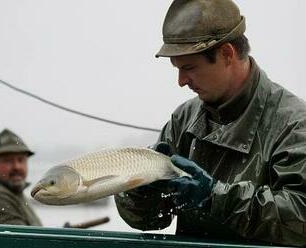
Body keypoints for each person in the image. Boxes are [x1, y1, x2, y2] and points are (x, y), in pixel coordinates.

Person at [115, 0, 306, 246]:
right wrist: (140, 193)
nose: (181, 81)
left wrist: (215, 198)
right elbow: (151, 221)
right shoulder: (183, 120)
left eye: (190, 68)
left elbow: (301, 218)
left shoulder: (294, 124)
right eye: (177, 69)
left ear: (227, 54)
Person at [0, 128, 42, 226]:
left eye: (21, 160)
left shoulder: (13, 192)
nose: (17, 167)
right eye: (8, 160)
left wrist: (66, 230)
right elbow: (21, 239)